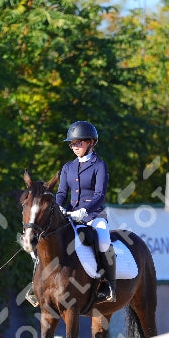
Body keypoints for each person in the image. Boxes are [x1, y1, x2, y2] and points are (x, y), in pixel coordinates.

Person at [55, 120, 117, 303]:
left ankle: (108, 284)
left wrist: (84, 210)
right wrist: (58, 207)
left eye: (78, 142)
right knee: (47, 239)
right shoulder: (68, 167)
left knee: (104, 241)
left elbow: (100, 194)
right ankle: (37, 284)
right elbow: (61, 193)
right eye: (72, 143)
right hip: (71, 216)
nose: (74, 146)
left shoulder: (100, 165)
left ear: (90, 142)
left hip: (93, 215)